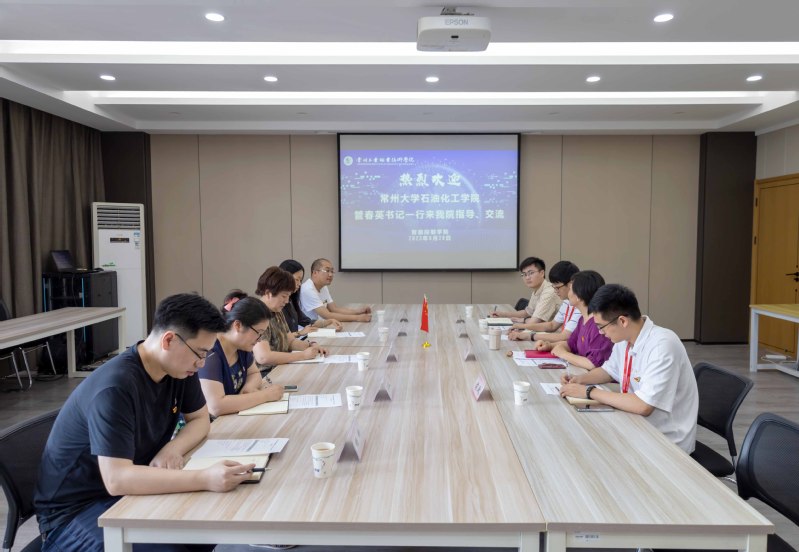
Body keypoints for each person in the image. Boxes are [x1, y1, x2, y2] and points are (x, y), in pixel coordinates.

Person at [35, 293, 257, 552]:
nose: (201, 364)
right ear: (169, 340)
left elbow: (199, 419)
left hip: (128, 489)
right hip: (75, 514)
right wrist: (204, 478)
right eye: (200, 353)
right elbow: (117, 479)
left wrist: (172, 448)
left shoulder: (179, 369)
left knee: (204, 526)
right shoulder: (115, 387)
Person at [559, 284, 699, 453]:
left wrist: (589, 392)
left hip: (666, 442)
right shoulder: (624, 339)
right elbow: (608, 371)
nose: (600, 333)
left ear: (623, 321)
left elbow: (644, 405)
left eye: (601, 327)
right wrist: (579, 380)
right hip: (634, 424)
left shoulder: (662, 345)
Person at [198, 290, 286, 417]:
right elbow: (216, 406)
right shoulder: (211, 352)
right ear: (238, 325)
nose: (259, 339)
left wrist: (248, 388)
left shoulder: (241, 347)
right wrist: (265, 395)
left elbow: (254, 373)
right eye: (259, 333)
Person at [535, 270, 613, 370]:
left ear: (579, 296)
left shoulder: (598, 324)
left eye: (570, 289)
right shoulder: (582, 319)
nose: (568, 293)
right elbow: (570, 344)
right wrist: (549, 345)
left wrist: (563, 354)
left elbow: (592, 364)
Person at [255, 266, 327, 372]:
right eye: (284, 296)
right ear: (268, 293)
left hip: (280, 367)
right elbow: (263, 357)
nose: (286, 301)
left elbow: (290, 341)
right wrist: (303, 355)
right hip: (265, 374)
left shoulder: (277, 312)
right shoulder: (257, 314)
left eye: (288, 296)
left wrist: (311, 346)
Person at [509, 260, 580, 342]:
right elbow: (552, 325)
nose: (555, 291)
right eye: (554, 287)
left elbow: (564, 337)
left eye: (557, 287)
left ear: (571, 284)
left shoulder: (580, 305)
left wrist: (530, 336)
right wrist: (521, 326)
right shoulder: (566, 301)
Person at [278, 259, 342, 337]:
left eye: (300, 280)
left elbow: (307, 321)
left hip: (295, 341)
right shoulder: (275, 304)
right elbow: (279, 338)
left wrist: (328, 322)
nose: (299, 284)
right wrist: (300, 333)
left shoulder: (292, 299)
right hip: (294, 340)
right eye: (296, 279)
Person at [299, 258, 371, 323]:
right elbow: (327, 315)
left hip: (319, 326)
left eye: (332, 271)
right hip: (307, 331)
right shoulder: (308, 289)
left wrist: (358, 312)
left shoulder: (323, 287)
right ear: (315, 273)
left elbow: (334, 309)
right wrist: (358, 318)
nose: (330, 274)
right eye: (327, 271)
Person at [491, 256, 560, 323]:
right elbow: (527, 313)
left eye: (531, 273)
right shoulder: (537, 290)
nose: (527, 277)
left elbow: (534, 321)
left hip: (555, 330)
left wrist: (523, 320)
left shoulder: (549, 292)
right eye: (524, 274)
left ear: (542, 273)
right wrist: (502, 314)